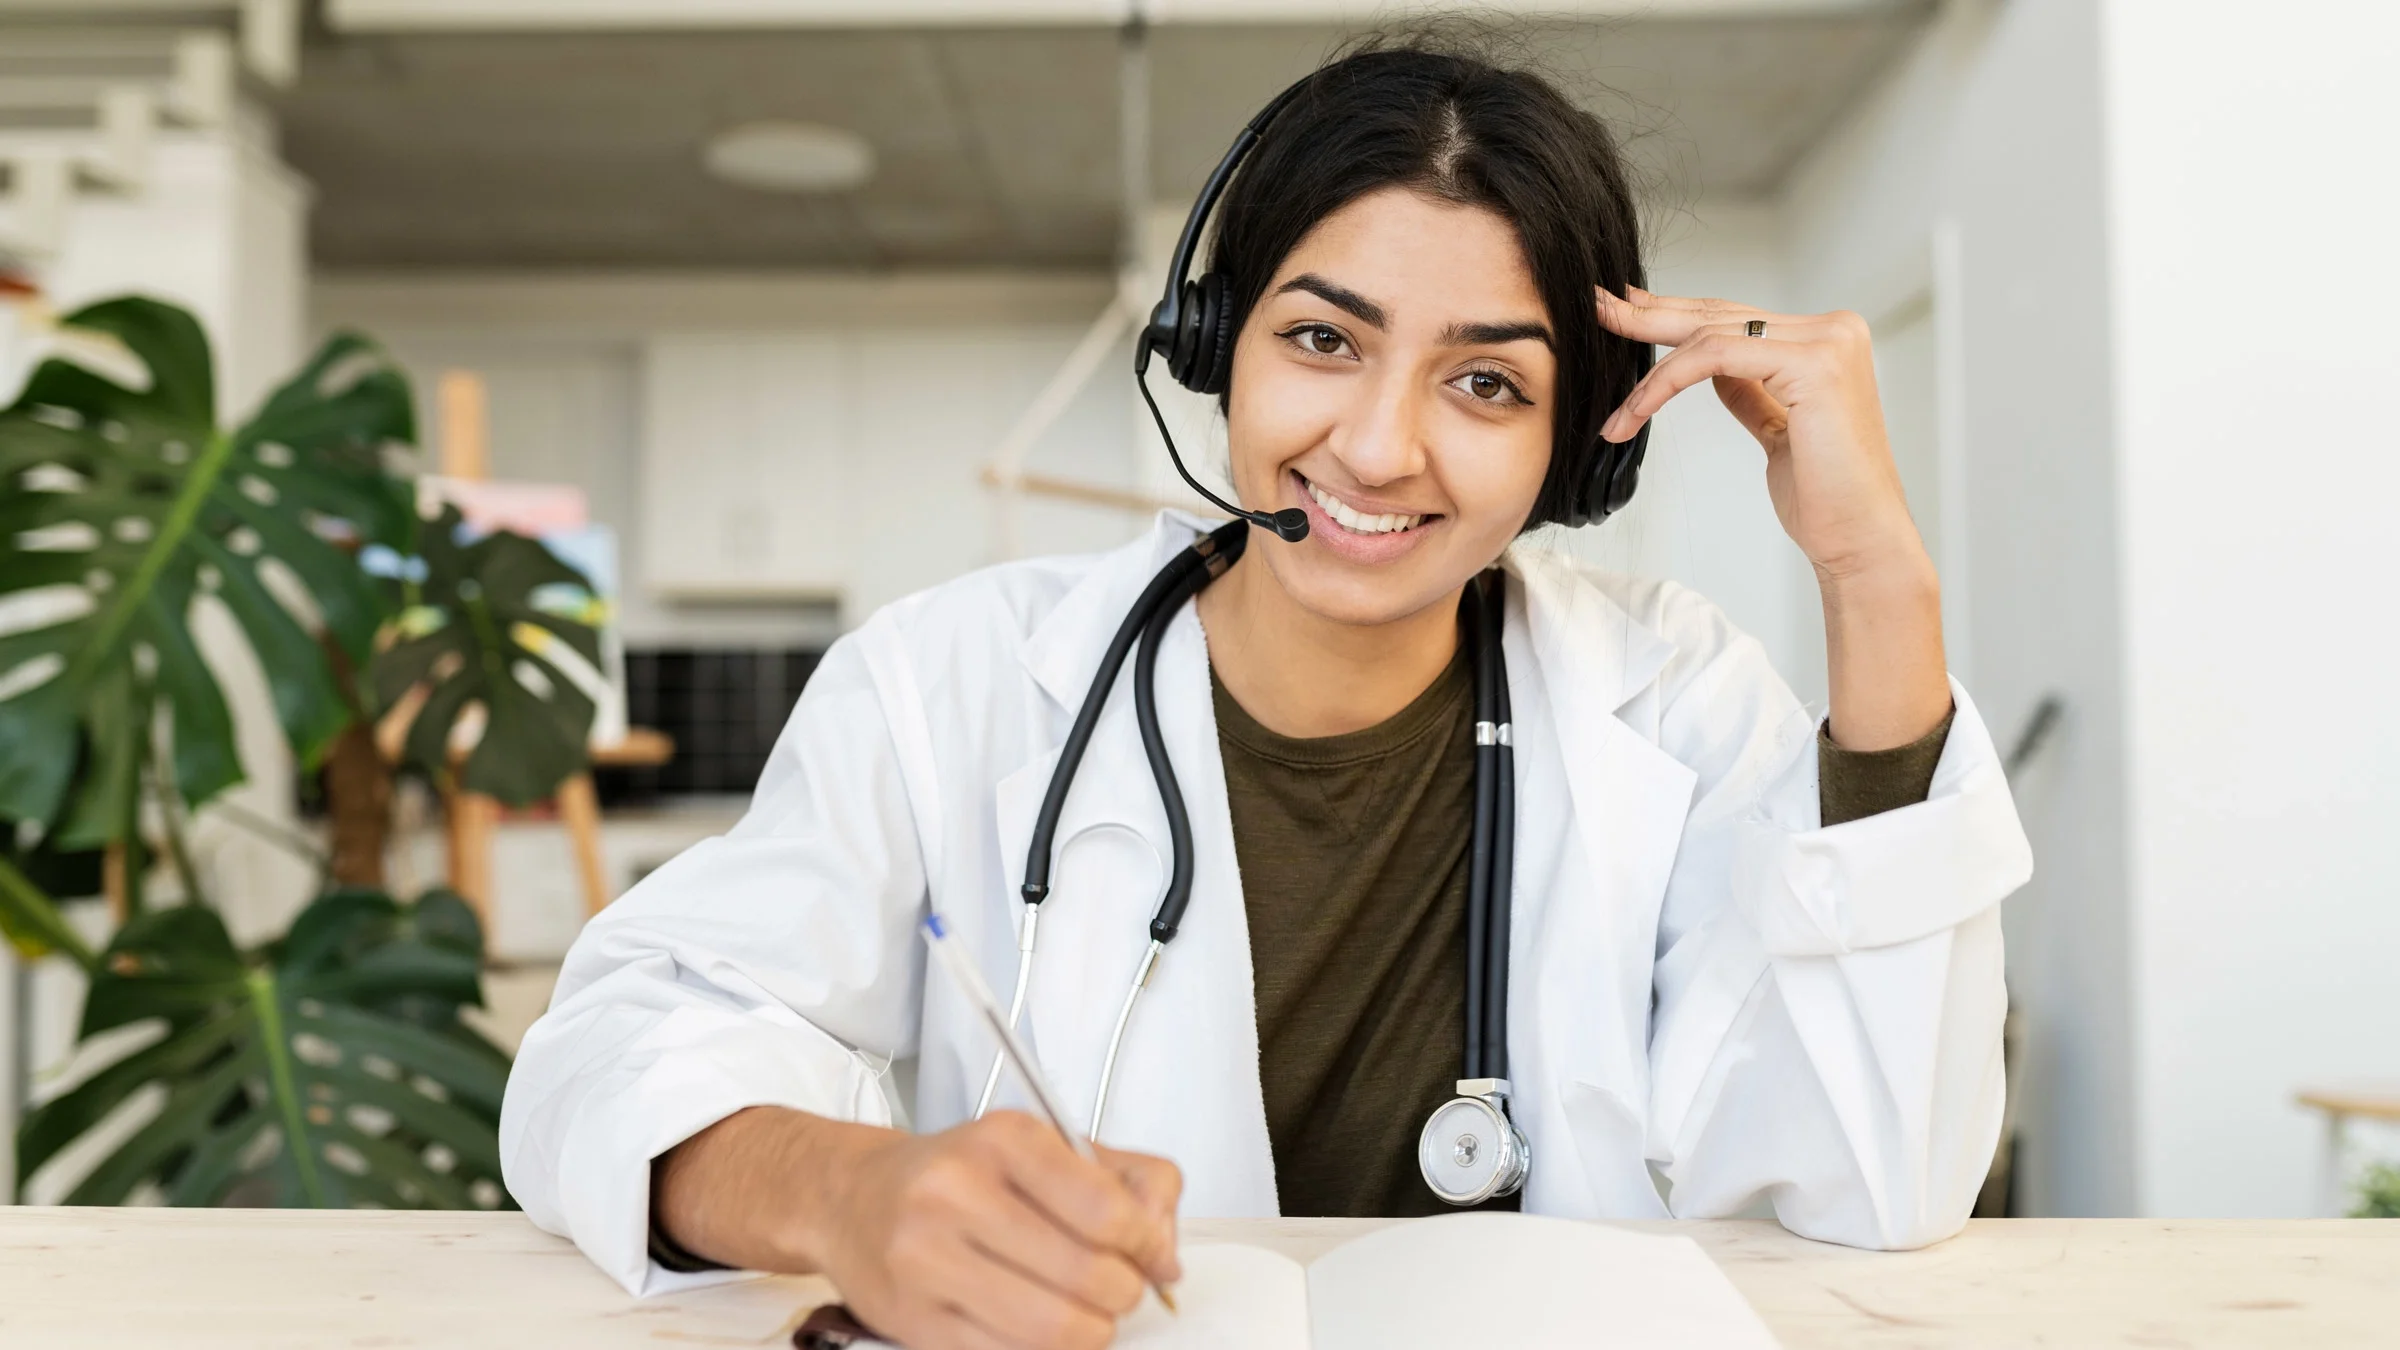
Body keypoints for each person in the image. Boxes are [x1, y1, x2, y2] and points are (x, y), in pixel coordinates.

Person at [501, 34, 2032, 1350]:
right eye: (1321, 340)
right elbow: (613, 1052)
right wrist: (849, 1191)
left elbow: (1874, 1168)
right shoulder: (950, 682)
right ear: (1215, 347)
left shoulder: (1673, 700)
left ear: (1580, 446)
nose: (1376, 447)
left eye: (1485, 381)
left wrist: (1875, 577)